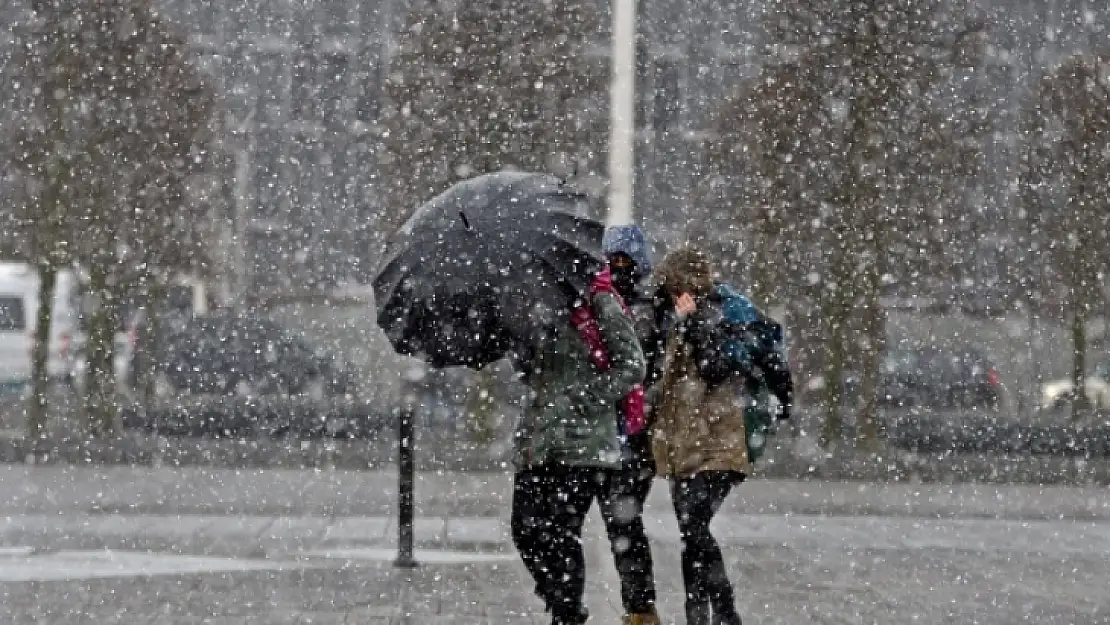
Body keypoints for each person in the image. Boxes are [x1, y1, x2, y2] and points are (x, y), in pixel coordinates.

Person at [649, 247, 791, 625]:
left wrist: (695, 325)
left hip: (721, 441)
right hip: (683, 442)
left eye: (674, 287)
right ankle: (700, 616)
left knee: (694, 525)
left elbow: (718, 368)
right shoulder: (676, 316)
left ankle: (723, 614)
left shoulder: (724, 313)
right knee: (691, 532)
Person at [510, 252, 647, 625]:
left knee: (561, 531)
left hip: (582, 443)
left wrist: (587, 397)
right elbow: (533, 373)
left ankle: (566, 613)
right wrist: (521, 347)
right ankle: (563, 603)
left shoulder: (598, 301)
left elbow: (633, 365)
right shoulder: (534, 303)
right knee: (523, 529)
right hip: (538, 440)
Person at [599, 226, 660, 625]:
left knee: (622, 521)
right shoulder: (609, 304)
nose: (620, 268)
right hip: (617, 431)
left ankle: (639, 607)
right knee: (622, 522)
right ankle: (639, 606)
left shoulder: (645, 310)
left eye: (626, 261)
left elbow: (639, 366)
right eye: (614, 260)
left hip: (630, 431)